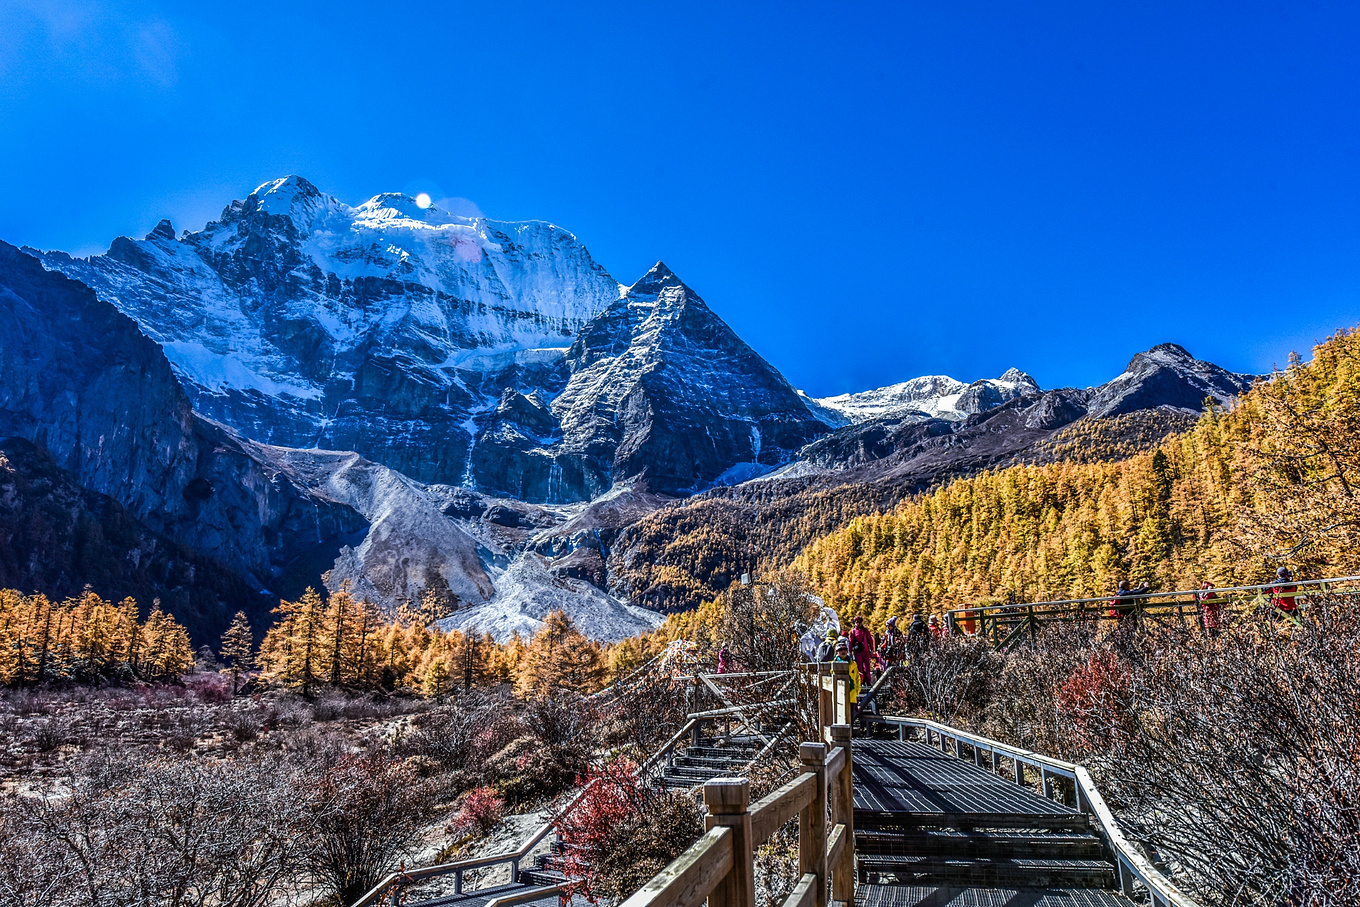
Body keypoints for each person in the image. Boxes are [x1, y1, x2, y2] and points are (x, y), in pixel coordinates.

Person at [832, 637, 861, 716]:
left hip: (851, 695)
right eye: (840, 650)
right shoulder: (832, 664)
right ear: (837, 652)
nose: (843, 651)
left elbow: (857, 678)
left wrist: (857, 690)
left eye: (845, 649)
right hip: (839, 695)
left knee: (851, 718)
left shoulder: (853, 664)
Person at [848, 615, 876, 682]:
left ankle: (868, 681)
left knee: (867, 667)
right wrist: (850, 651)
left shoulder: (865, 631)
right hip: (858, 652)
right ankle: (861, 681)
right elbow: (850, 642)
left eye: (859, 622)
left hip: (866, 651)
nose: (858, 623)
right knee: (859, 667)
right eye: (856, 622)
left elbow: (870, 640)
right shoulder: (853, 631)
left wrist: (872, 649)